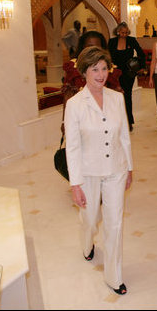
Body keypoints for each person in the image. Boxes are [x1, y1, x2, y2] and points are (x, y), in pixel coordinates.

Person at [64, 46, 133, 295]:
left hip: (116, 169)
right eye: (95, 69)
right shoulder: (74, 104)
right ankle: (87, 243)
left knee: (114, 224)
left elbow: (124, 135)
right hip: (88, 172)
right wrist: (75, 184)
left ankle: (114, 276)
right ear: (84, 71)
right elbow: (72, 147)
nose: (101, 74)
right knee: (90, 219)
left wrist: (130, 167)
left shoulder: (117, 98)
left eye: (104, 68)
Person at [61, 31, 122, 134]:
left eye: (97, 47)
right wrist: (64, 120)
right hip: (80, 119)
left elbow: (114, 99)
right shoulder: (73, 67)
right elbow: (67, 97)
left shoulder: (109, 69)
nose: (93, 51)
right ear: (82, 47)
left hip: (104, 118)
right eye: (89, 47)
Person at [108, 22, 146, 132]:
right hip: (115, 73)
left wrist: (141, 67)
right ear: (118, 32)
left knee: (127, 96)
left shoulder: (131, 40)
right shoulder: (112, 42)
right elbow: (107, 56)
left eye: (126, 33)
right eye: (122, 33)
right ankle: (117, 122)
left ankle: (129, 122)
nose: (124, 35)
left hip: (128, 73)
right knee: (115, 97)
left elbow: (141, 53)